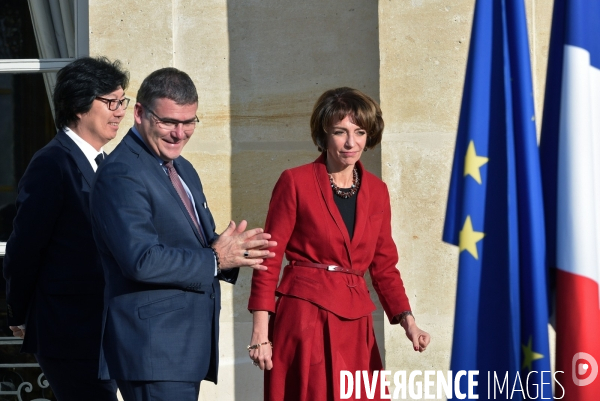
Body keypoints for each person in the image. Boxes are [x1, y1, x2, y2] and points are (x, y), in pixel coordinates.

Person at [90, 67, 276, 401]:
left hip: (182, 350)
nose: (180, 133)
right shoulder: (122, 173)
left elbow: (197, 245)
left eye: (189, 122)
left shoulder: (182, 168)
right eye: (169, 122)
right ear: (140, 114)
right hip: (153, 352)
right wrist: (217, 258)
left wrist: (236, 252)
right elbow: (141, 261)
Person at [248, 87, 431, 400]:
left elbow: (384, 265)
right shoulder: (295, 181)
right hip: (304, 317)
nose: (351, 142)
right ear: (324, 134)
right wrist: (260, 333)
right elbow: (269, 260)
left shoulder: (378, 191)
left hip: (355, 321)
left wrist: (408, 322)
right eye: (340, 132)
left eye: (360, 132)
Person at [3, 56, 130, 401]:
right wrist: (18, 309)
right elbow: (25, 245)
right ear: (78, 105)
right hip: (68, 329)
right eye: (111, 102)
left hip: (103, 328)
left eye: (123, 101)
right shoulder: (52, 162)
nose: (120, 111)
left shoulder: (105, 163)